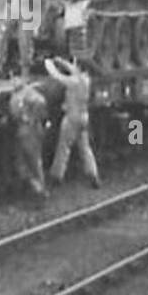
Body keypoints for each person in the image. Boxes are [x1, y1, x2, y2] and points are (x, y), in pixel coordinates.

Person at [44, 56, 100, 188]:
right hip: (84, 117)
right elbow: (74, 69)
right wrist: (61, 61)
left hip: (71, 118)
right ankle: (93, 175)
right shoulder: (86, 80)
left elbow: (57, 76)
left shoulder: (73, 82)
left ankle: (56, 177)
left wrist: (48, 64)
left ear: (79, 67)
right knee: (85, 148)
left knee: (63, 147)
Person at [9, 76, 49, 197]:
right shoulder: (30, 92)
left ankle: (38, 187)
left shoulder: (15, 98)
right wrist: (36, 118)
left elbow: (15, 115)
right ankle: (38, 186)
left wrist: (29, 118)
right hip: (35, 129)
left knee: (25, 161)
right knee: (35, 161)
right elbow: (41, 102)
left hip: (25, 130)